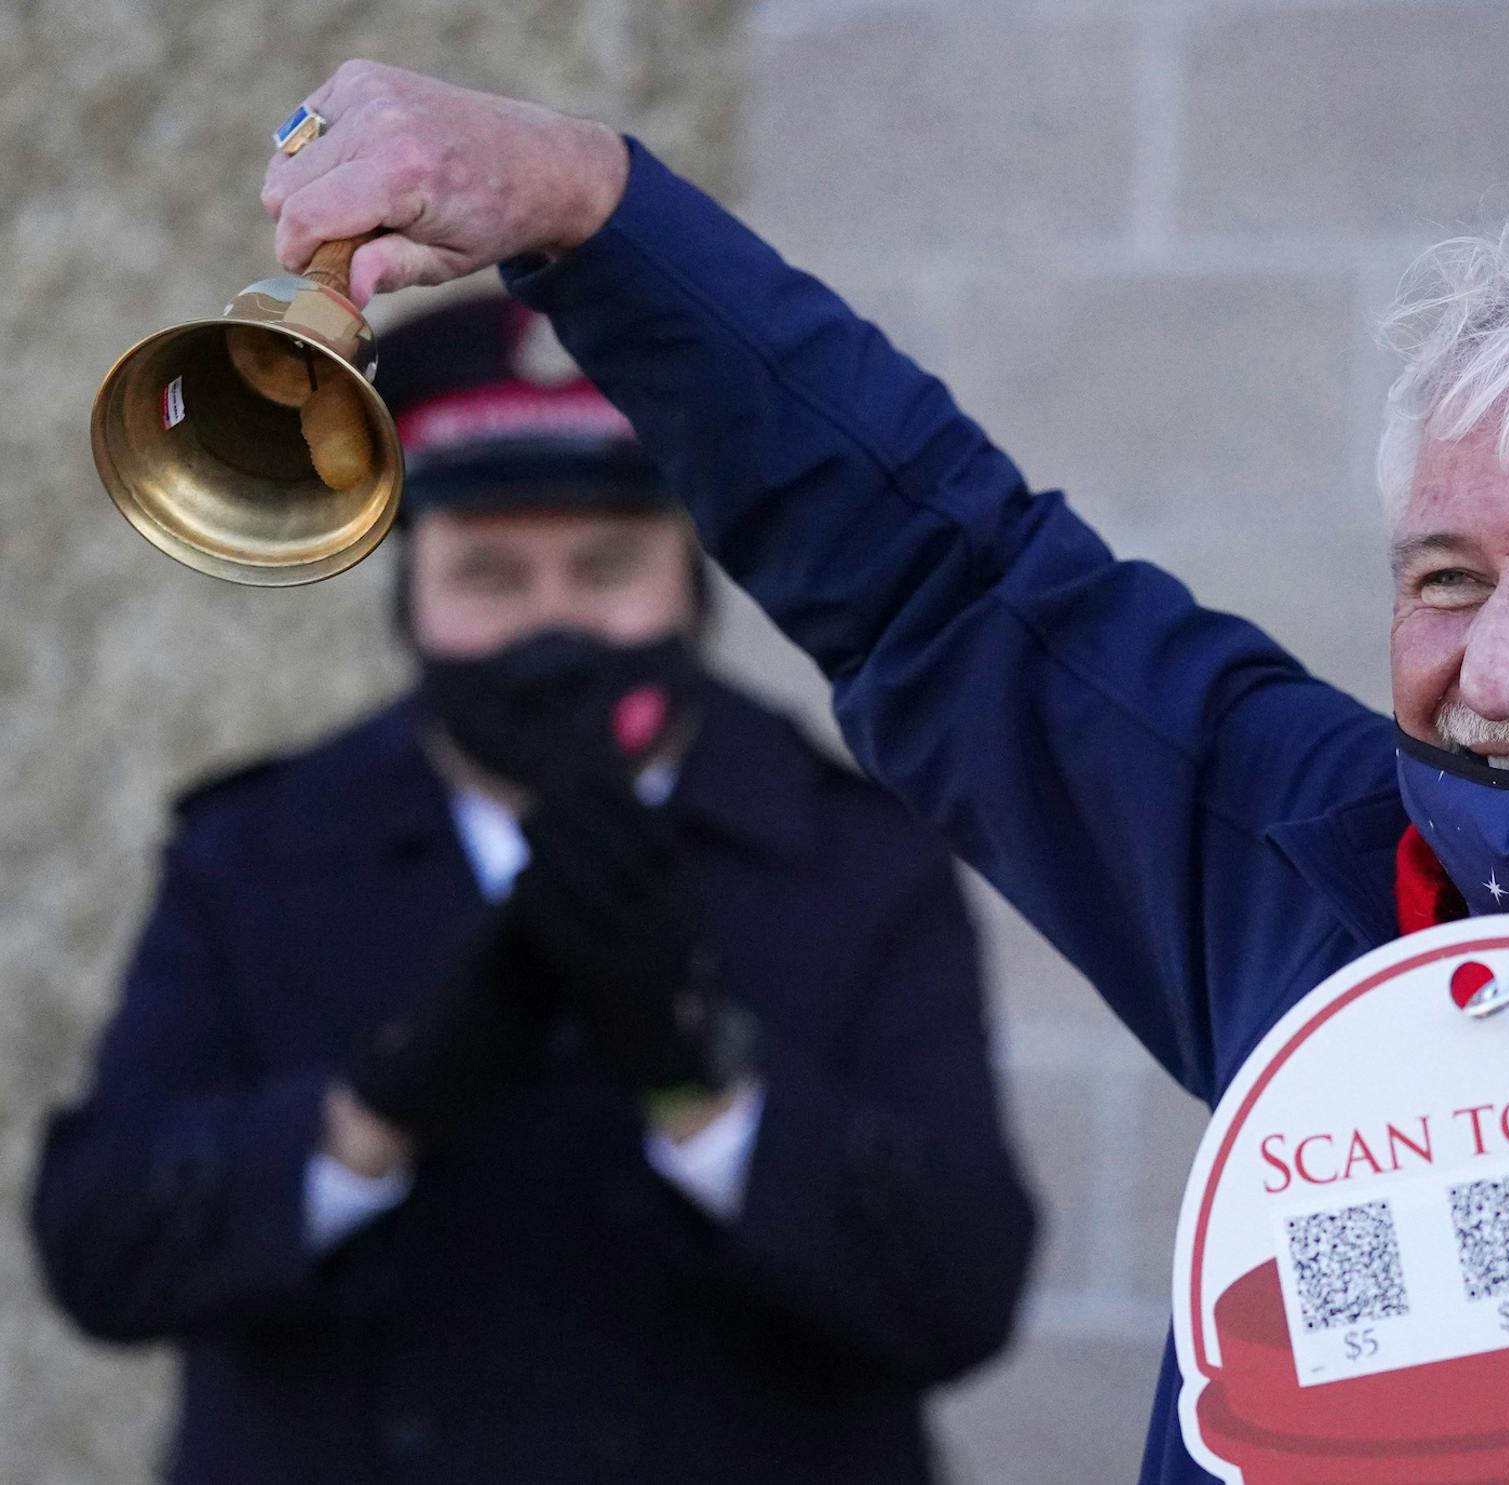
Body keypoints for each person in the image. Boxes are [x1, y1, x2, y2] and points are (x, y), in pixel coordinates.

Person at [251, 62, 1509, 1483]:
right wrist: (595, 209)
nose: (1502, 667)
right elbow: (944, 571)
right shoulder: (1307, 862)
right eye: (1442, 578)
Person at [32, 293, 1036, 1485]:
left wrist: (705, 1082)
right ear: (411, 592)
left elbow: (963, 1295)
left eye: (606, 567)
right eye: (491, 576)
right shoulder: (257, 851)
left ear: (690, 580)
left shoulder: (857, 855)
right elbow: (101, 1252)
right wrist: (371, 1116)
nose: (551, 621)